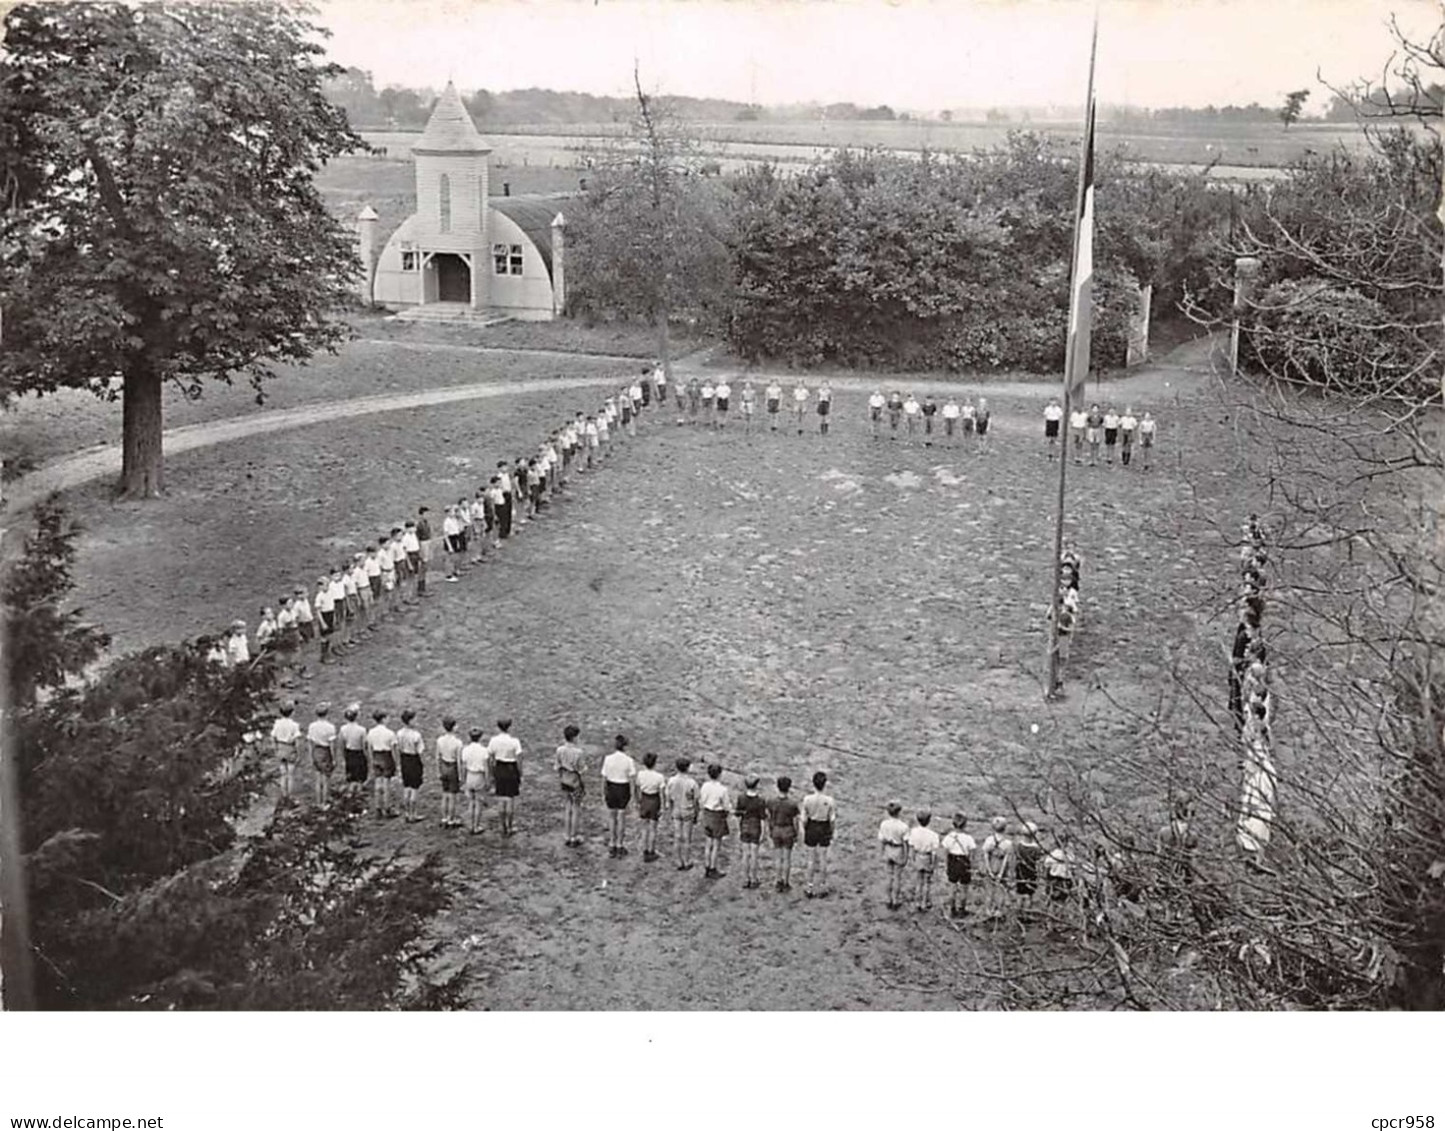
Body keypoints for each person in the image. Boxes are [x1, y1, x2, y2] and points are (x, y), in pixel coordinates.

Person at [801, 771, 836, 898]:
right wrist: (831, 832)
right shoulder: (829, 800)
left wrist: (806, 829)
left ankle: (809, 886)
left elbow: (804, 819)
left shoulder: (807, 799)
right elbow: (832, 820)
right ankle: (822, 886)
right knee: (823, 859)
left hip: (812, 826)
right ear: (824, 784)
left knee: (811, 859)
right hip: (824, 827)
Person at [601, 735, 637, 858]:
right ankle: (620, 844)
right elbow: (632, 778)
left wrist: (603, 792)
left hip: (611, 787)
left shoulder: (608, 759)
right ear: (625, 746)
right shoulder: (628, 760)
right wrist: (632, 794)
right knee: (621, 817)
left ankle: (612, 843)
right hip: (623, 788)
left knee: (612, 817)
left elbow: (604, 778)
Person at [487, 718, 523, 838]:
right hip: (511, 769)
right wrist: (520, 773)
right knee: (510, 799)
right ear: (510, 727)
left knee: (501, 798)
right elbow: (519, 759)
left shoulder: (493, 741)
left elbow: (490, 757)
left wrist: (492, 773)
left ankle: (502, 826)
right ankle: (510, 826)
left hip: (499, 768)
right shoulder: (514, 741)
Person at [767, 775, 802, 892]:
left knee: (778, 857)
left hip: (776, 829)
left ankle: (778, 880)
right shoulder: (792, 804)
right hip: (787, 831)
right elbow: (795, 820)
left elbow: (769, 817)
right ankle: (786, 882)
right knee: (787, 858)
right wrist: (796, 833)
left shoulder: (771, 802)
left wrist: (770, 829)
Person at [665, 756, 700, 870]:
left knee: (677, 836)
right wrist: (696, 813)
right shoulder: (692, 783)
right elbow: (696, 800)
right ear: (687, 768)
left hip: (676, 808)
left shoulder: (671, 781)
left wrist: (670, 810)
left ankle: (678, 860)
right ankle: (686, 860)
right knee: (687, 837)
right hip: (688, 810)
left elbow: (669, 797)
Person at [941, 813, 977, 919]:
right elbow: (972, 852)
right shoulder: (968, 838)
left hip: (952, 861)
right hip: (964, 862)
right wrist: (971, 865)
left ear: (953, 824)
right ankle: (962, 909)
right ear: (965, 824)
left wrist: (946, 864)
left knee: (952, 887)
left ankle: (952, 909)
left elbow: (945, 851)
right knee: (964, 888)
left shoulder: (949, 837)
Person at [698, 762, 731, 878]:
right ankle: (713, 868)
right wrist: (726, 813)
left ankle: (707, 866)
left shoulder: (705, 786)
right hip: (717, 816)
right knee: (716, 844)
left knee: (708, 843)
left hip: (707, 814)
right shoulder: (722, 790)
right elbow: (726, 806)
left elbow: (701, 800)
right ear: (720, 775)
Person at [735, 775, 768, 889]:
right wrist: (764, 833)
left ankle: (745, 879)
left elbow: (738, 815)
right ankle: (753, 879)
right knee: (754, 854)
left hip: (745, 825)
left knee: (745, 854)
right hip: (755, 827)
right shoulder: (760, 800)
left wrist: (739, 827)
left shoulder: (741, 798)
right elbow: (763, 818)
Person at [555, 724, 586, 846]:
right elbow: (581, 769)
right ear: (574, 737)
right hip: (575, 781)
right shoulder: (578, 752)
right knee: (576, 808)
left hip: (564, 779)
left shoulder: (560, 750)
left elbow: (557, 766)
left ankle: (566, 835)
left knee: (567, 807)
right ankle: (574, 836)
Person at [878, 800, 910, 911]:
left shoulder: (884, 824)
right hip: (898, 850)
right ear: (899, 812)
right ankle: (895, 900)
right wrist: (906, 856)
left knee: (888, 876)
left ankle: (888, 899)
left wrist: (882, 852)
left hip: (888, 849)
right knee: (897, 877)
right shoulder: (903, 827)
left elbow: (881, 840)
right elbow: (906, 843)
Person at [366, 709, 398, 819]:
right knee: (386, 784)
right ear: (383, 719)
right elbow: (393, 750)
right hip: (386, 756)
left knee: (378, 783)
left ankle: (378, 808)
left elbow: (369, 748)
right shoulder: (390, 733)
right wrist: (395, 762)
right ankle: (387, 808)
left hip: (376, 756)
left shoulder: (371, 732)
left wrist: (371, 760)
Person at [907, 810, 941, 912]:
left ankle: (917, 901)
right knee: (927, 882)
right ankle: (924, 902)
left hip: (918, 856)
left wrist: (912, 858)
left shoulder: (913, 832)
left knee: (919, 881)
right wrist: (933, 863)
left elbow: (912, 847)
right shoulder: (933, 835)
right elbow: (934, 852)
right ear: (929, 821)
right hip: (927, 857)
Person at [636, 752, 667, 862]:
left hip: (644, 799)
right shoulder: (659, 777)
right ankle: (651, 851)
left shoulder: (640, 774)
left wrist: (638, 801)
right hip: (654, 801)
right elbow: (662, 793)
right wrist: (663, 806)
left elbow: (638, 788)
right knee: (653, 828)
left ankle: (645, 850)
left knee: (644, 827)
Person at [396, 709, 425, 823]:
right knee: (414, 788)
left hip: (404, 759)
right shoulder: (416, 735)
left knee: (406, 786)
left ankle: (407, 813)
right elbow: (420, 751)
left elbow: (398, 747)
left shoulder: (399, 733)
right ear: (410, 721)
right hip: (413, 760)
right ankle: (414, 814)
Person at [270, 700, 301, 805]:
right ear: (292, 712)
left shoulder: (277, 723)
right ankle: (290, 796)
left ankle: (283, 795)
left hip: (280, 747)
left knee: (283, 773)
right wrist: (298, 752)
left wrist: (275, 748)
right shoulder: (294, 725)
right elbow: (297, 741)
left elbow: (273, 736)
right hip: (290, 748)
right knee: (290, 774)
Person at [307, 702, 337, 808]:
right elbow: (332, 745)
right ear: (327, 713)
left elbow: (310, 742)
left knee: (317, 778)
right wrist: (334, 758)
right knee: (326, 779)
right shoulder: (330, 727)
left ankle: (318, 802)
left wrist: (311, 756)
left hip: (316, 751)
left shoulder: (312, 726)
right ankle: (325, 802)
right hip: (325, 752)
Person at [981, 816, 1015, 912]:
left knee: (989, 889)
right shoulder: (1008, 843)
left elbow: (986, 855)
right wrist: (1001, 873)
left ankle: (988, 909)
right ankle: (998, 910)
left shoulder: (989, 840)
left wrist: (989, 870)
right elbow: (1006, 859)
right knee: (1001, 889)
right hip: (1001, 866)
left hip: (991, 864)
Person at [436, 716, 463, 829]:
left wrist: (438, 771)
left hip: (443, 766)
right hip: (452, 768)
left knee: (445, 794)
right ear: (453, 727)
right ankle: (451, 819)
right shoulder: (458, 743)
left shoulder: (440, 740)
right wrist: (461, 776)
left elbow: (437, 757)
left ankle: (444, 818)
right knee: (452, 796)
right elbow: (459, 761)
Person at [461, 727, 490, 835]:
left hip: (469, 776)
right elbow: (486, 768)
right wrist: (487, 780)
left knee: (471, 801)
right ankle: (476, 826)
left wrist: (463, 780)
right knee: (478, 802)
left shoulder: (466, 749)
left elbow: (464, 766)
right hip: (479, 776)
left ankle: (470, 824)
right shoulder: (483, 750)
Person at [339, 704, 368, 797]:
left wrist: (344, 755)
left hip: (349, 753)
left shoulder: (343, 729)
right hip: (359, 754)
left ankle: (350, 795)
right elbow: (364, 745)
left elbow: (341, 744)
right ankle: (358, 796)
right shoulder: (362, 730)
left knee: (351, 776)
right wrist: (367, 756)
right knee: (359, 777)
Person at [1014, 822, 1045, 903]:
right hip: (1031, 873)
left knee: (1020, 893)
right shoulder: (1036, 849)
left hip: (1020, 872)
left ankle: (1018, 911)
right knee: (1029, 893)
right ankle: (1027, 911)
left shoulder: (1018, 846)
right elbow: (1039, 863)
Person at [414, 506, 433, 597]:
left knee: (425, 567)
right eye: (426, 514)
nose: (428, 516)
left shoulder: (426, 523)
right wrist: (420, 550)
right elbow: (417, 538)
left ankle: (423, 587)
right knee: (423, 567)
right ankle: (420, 588)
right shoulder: (419, 525)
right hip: (423, 544)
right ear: (421, 515)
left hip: (427, 543)